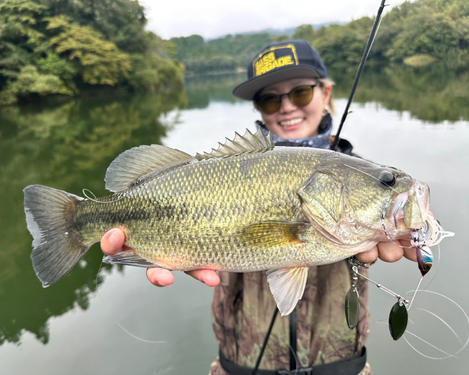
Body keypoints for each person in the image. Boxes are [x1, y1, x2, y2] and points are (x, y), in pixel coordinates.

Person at [100, 40, 416, 374]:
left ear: (326, 93)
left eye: (301, 93)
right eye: (269, 99)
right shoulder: (226, 169)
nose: (287, 107)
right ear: (258, 109)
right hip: (240, 365)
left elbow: (401, 211)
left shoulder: (358, 174)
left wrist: (415, 233)